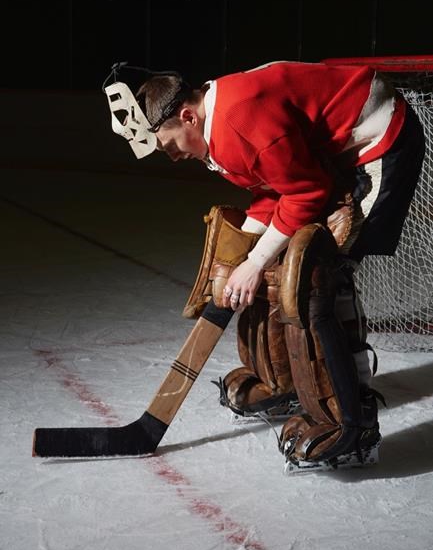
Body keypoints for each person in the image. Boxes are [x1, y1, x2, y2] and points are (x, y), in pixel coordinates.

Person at [105, 60, 425, 469]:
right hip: (335, 154)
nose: (173, 156)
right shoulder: (219, 122)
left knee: (316, 277)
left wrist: (254, 261)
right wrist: (246, 253)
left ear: (187, 116)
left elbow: (307, 191)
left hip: (381, 139)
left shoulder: (237, 121)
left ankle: (350, 425)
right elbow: (275, 189)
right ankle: (285, 385)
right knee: (275, 265)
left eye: (169, 145)